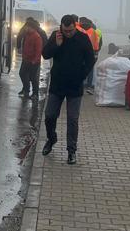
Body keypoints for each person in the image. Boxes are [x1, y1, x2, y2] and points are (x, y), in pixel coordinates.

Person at [41, 15, 95, 165]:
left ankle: (71, 151)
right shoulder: (56, 36)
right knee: (49, 115)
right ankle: (51, 139)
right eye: (65, 31)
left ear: (75, 26)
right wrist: (56, 45)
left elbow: (91, 60)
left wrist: (81, 76)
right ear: (61, 27)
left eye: (71, 30)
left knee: (72, 120)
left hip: (75, 86)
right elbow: (45, 54)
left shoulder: (83, 39)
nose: (68, 33)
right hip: (57, 84)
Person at [17, 19, 43, 98]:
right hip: (26, 59)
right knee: (22, 74)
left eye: (27, 27)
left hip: (33, 61)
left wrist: (35, 60)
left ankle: (35, 93)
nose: (25, 28)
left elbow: (38, 50)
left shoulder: (37, 37)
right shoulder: (27, 35)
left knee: (33, 77)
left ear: (31, 27)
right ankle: (26, 89)